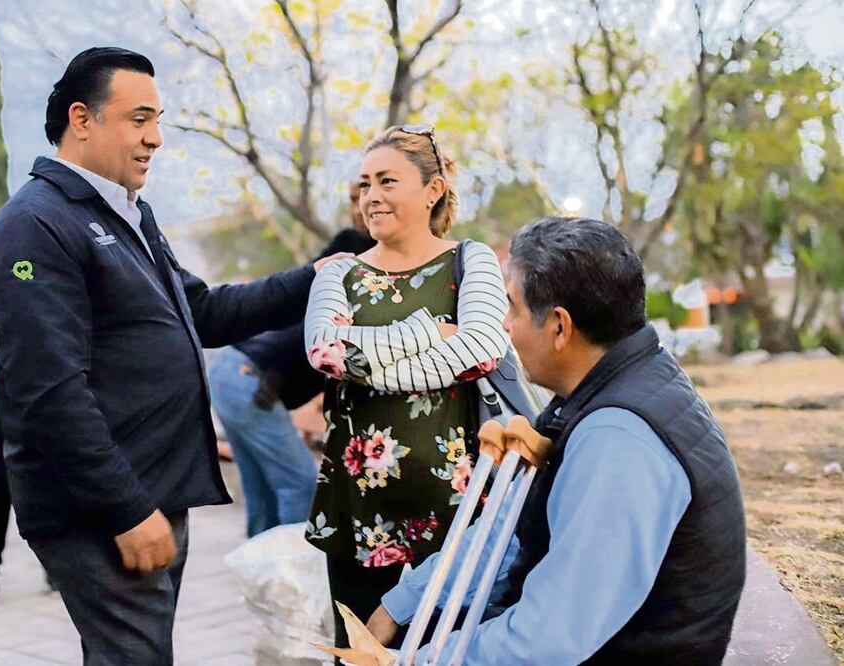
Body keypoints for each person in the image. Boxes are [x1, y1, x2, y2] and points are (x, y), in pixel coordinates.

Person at [0, 47, 346, 663]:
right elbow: (48, 391)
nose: (157, 138)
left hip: (151, 487)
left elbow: (201, 311)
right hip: (104, 505)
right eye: (140, 119)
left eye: (158, 119)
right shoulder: (34, 226)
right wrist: (126, 509)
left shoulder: (126, 213)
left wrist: (315, 278)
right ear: (82, 118)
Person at [366, 217, 747, 665]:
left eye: (515, 309)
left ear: (560, 327)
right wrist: (403, 602)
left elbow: (548, 638)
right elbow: (511, 529)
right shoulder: (605, 388)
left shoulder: (618, 440)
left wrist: (418, 662)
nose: (506, 325)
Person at [303, 125, 509, 651]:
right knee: (361, 656)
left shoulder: (471, 260)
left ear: (433, 189)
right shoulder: (338, 273)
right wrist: (426, 332)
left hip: (457, 513)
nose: (371, 196)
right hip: (358, 517)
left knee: (448, 653)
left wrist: (367, 360)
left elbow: (484, 346)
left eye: (387, 181)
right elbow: (325, 353)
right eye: (365, 184)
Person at [208, 184, 375, 538]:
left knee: (263, 495)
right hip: (247, 373)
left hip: (233, 372)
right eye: (356, 197)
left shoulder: (358, 252)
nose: (361, 206)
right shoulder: (355, 250)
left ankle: (265, 585)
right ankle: (292, 585)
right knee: (299, 484)